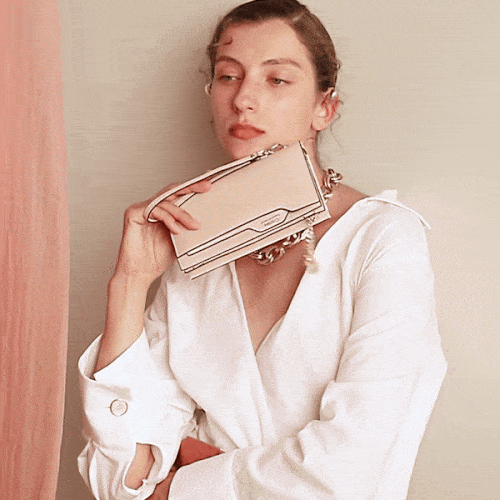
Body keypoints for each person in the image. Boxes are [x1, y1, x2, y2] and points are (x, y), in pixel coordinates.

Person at [78, 1, 447, 499]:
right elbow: (117, 480)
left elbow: (351, 470)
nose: (244, 99)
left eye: (277, 79)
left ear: (324, 108)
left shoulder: (382, 239)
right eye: (228, 76)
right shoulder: (193, 255)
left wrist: (178, 487)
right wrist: (129, 282)